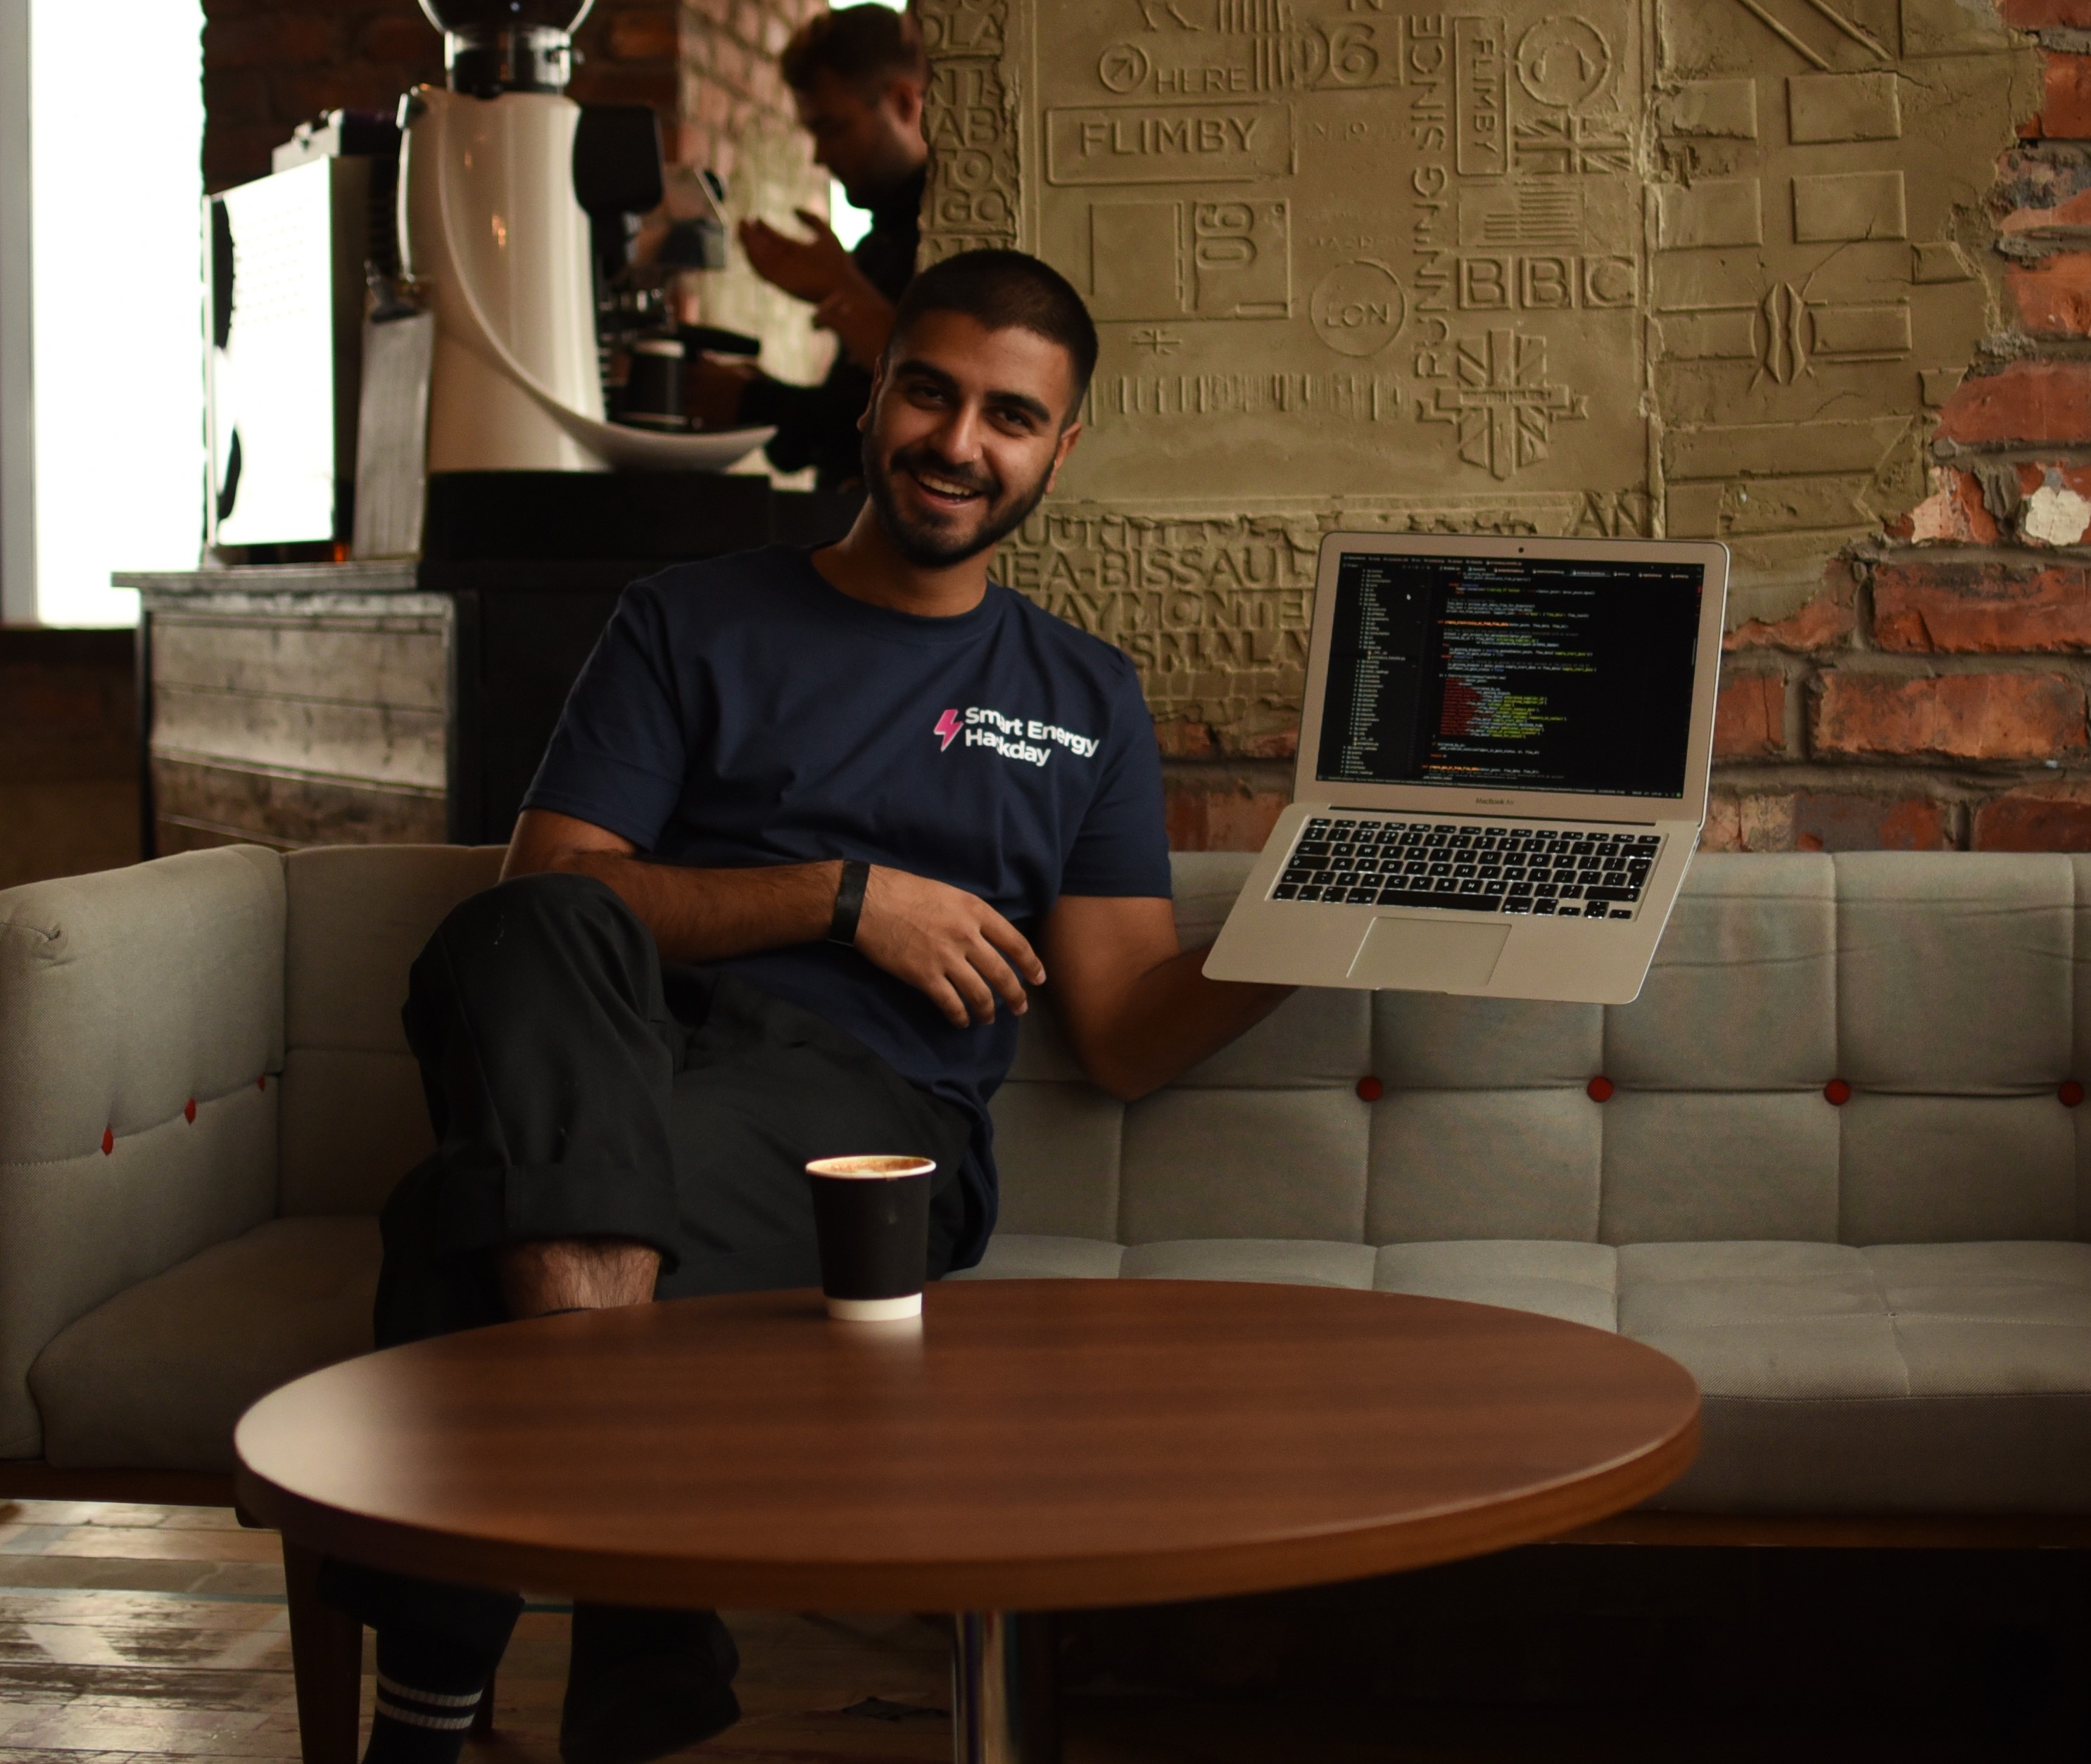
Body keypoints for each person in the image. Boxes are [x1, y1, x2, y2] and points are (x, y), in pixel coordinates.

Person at [325, 248, 1294, 1764]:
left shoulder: (1082, 693)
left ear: (1061, 449)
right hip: (627, 1047)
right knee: (521, 926)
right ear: (877, 387)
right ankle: (640, 1627)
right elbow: (563, 892)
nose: (959, 443)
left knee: (467, 1220)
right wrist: (844, 894)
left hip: (870, 1125)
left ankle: (429, 1718)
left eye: (1011, 417)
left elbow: (1117, 1030)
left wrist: (1316, 932)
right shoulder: (690, 616)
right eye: (931, 389)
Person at [688, 4, 929, 486]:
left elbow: (912, 429)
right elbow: (852, 414)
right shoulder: (881, 243)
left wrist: (745, 401)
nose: (820, 157)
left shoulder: (947, 238)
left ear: (904, 103)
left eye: (832, 127)